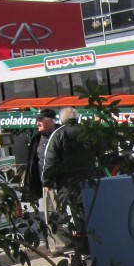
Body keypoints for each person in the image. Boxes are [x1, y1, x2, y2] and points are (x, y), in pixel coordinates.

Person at [42, 107, 99, 253]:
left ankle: (83, 249)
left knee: (74, 216)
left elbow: (50, 160)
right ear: (77, 118)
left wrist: (47, 181)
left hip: (67, 184)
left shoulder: (58, 134)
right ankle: (95, 245)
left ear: (62, 119)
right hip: (90, 180)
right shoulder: (88, 132)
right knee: (91, 212)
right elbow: (101, 151)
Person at [23, 108, 60, 248]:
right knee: (51, 216)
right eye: (37, 120)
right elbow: (32, 161)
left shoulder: (59, 135)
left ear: (51, 121)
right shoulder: (37, 138)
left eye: (41, 120)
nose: (37, 123)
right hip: (46, 184)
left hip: (61, 182)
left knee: (65, 215)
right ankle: (57, 246)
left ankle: (75, 241)